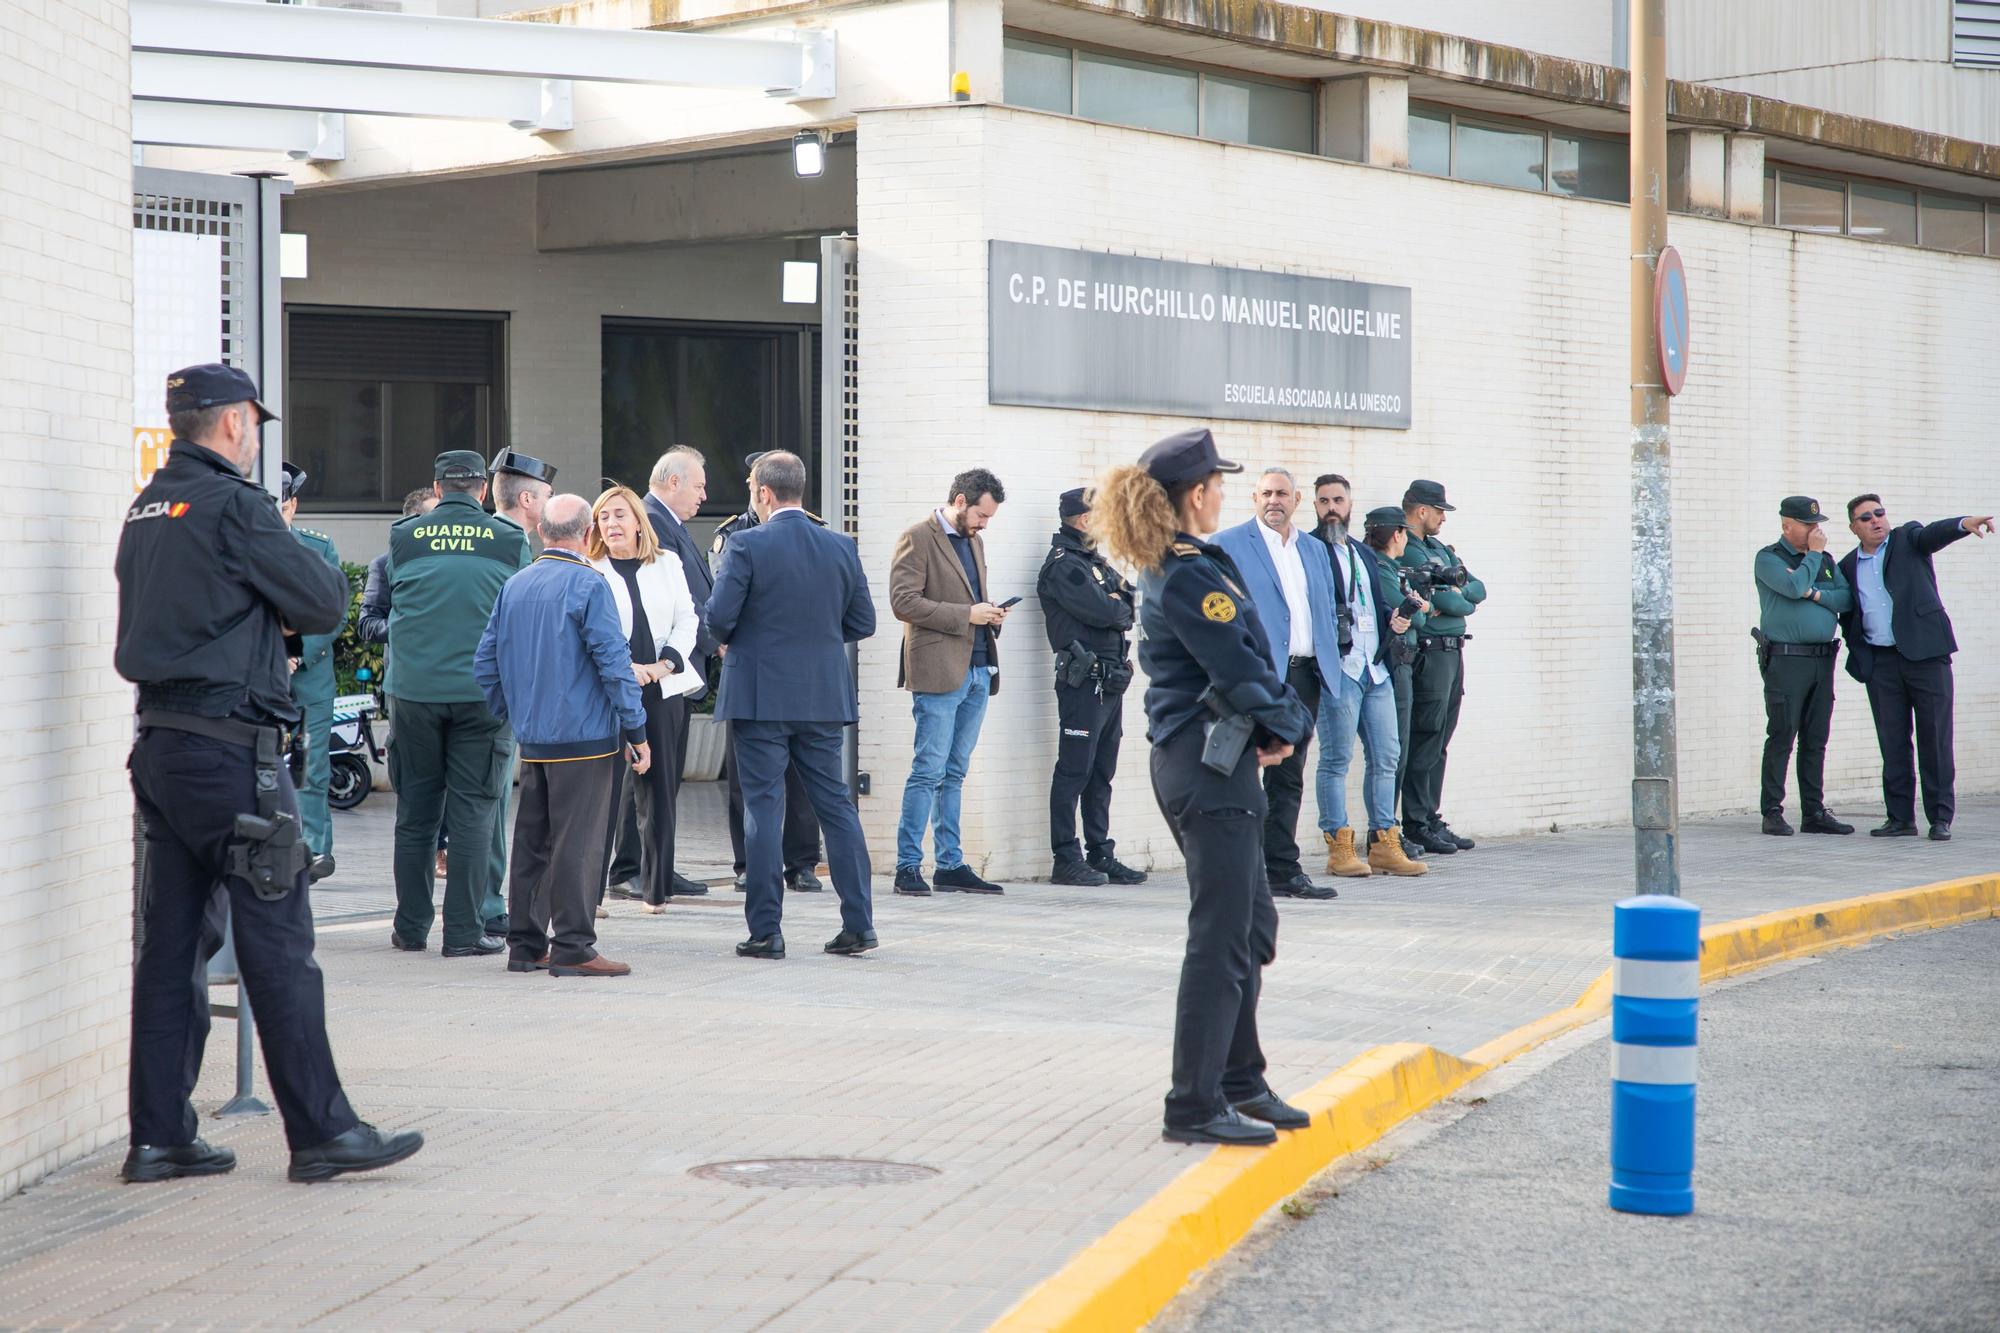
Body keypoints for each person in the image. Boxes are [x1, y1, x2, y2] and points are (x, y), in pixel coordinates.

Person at [115, 361, 424, 1184]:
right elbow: (323, 601)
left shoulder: (147, 507)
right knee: (280, 939)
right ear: (231, 423)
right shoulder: (237, 504)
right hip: (230, 753)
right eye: (254, 419)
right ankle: (322, 1131)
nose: (255, 434)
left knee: (170, 946)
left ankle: (159, 1135)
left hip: (161, 746)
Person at [1088, 427, 1315, 1148]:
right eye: (1219, 483)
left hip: (1219, 760)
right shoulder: (1186, 572)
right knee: (1218, 939)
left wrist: (1273, 725)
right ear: (1197, 493)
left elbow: (1246, 661)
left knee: (1249, 928)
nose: (1225, 493)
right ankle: (1191, 1104)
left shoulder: (1189, 563)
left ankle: (1241, 1078)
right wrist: (1290, 722)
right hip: (1209, 766)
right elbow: (1238, 668)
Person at [705, 451, 879, 960]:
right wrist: (818, 640)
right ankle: (859, 925)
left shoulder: (746, 544)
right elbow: (862, 622)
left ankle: (767, 931)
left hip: (760, 695)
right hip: (823, 694)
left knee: (763, 809)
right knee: (838, 809)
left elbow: (718, 619)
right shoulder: (840, 545)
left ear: (762, 492)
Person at [476, 494, 648, 978]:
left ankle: (526, 945)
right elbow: (614, 664)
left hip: (535, 739)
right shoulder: (590, 585)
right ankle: (573, 945)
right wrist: (636, 729)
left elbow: (485, 663)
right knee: (581, 843)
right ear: (588, 533)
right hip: (587, 737)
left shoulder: (515, 585)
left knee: (532, 842)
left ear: (542, 533)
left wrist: (515, 714)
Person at [383, 450, 531, 957]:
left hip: (415, 694)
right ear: (483, 490)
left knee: (416, 813)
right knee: (473, 815)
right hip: (482, 696)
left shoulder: (403, 536)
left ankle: (409, 929)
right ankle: (465, 935)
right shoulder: (511, 541)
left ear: (438, 487)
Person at [1212, 468, 1341, 901]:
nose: (1274, 500)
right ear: (1253, 497)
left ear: (1297, 499)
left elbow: (1321, 608)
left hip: (1304, 677)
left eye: (1282, 493)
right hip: (1255, 676)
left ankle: (1283, 872)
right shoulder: (1227, 545)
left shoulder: (1314, 549)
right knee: (1241, 774)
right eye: (1266, 493)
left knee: (1289, 778)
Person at [1836, 497, 1993, 841]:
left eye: (1879, 513)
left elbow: (1933, 534)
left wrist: (1963, 523)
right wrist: (1861, 655)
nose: (1876, 520)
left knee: (1934, 738)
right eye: (1866, 517)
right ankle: (1900, 819)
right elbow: (1850, 615)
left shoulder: (1908, 538)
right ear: (1854, 527)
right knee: (1892, 742)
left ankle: (1939, 818)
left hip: (1926, 656)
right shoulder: (1848, 565)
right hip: (1882, 663)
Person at [888, 467, 1011, 896]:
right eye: (981, 515)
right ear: (960, 501)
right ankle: (907, 866)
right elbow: (903, 603)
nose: (984, 524)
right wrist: (966, 616)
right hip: (938, 672)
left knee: (954, 773)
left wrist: (989, 612)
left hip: (978, 668)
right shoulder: (917, 537)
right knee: (927, 770)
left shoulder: (974, 542)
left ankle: (950, 864)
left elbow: (966, 601)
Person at [713, 451, 825, 895]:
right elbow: (719, 599)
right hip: (749, 670)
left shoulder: (816, 531)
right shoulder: (733, 535)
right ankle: (749, 864)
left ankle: (801, 863)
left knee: (798, 779)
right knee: (745, 779)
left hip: (792, 674)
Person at [589, 484, 702, 910]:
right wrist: (623, 670)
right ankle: (593, 890)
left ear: (639, 522)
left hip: (661, 688)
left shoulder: (668, 563)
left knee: (657, 791)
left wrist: (662, 666)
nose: (612, 523)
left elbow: (688, 618)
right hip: (607, 692)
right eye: (604, 517)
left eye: (620, 515)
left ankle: (656, 890)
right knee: (602, 792)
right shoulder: (590, 567)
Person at [1312, 484, 1428, 879]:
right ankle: (1339, 846)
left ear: (1348, 505)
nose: (1331, 508)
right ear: (1314, 505)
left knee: (1387, 757)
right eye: (1324, 501)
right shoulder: (1310, 549)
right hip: (1339, 669)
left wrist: (1394, 617)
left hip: (1374, 668)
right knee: (1336, 759)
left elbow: (1372, 603)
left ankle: (1384, 844)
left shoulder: (1362, 552)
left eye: (1337, 501)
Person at [1036, 486, 1146, 886]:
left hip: (1110, 684)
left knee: (1101, 773)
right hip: (1083, 685)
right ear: (1084, 520)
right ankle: (1066, 857)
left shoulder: (1092, 562)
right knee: (1074, 771)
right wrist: (1116, 604)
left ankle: (1100, 853)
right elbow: (1107, 611)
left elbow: (1134, 601)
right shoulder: (1065, 566)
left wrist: (1118, 604)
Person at [636, 445, 718, 899]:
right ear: (674, 482)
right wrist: (716, 640)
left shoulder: (669, 523)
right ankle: (644, 872)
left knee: (659, 779)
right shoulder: (653, 523)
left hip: (676, 671)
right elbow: (680, 603)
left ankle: (648, 867)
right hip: (663, 673)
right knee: (655, 779)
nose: (704, 495)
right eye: (700, 485)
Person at [482, 449, 558, 931]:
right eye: (548, 496)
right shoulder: (514, 544)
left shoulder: (479, 535)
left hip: (442, 686)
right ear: (528, 498)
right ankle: (491, 908)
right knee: (491, 803)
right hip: (497, 691)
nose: (550, 505)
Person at [1753, 496, 1856, 836]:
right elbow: (1793, 586)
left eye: (1818, 524)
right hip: (1786, 660)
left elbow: (1845, 598)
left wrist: (1814, 593)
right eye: (1809, 525)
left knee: (1816, 738)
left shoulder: (1825, 561)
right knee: (1783, 735)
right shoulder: (1769, 558)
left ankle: (1813, 811)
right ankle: (1772, 811)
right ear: (1787, 526)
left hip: (1822, 659)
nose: (1817, 531)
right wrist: (1810, 560)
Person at [1396, 480, 1487, 857]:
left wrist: (1455, 596)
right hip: (1430, 653)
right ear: (1421, 511)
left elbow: (1476, 591)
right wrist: (1454, 600)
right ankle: (1416, 823)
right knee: (1425, 738)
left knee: (1441, 742)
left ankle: (1430, 816)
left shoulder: (1437, 549)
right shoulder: (1411, 550)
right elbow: (1454, 604)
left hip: (1453, 652)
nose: (1442, 519)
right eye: (1439, 512)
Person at [279, 462, 346, 883]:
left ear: (294, 505)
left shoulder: (317, 548)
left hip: (309, 676)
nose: (279, 511)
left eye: (284, 504)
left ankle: (315, 849)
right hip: (259, 673)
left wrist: (297, 654)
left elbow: (332, 612)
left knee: (313, 766)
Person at [1362, 507, 1434, 870]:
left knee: (1395, 753)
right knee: (1393, 753)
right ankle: (1385, 832)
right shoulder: (1380, 568)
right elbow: (1415, 614)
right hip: (1392, 664)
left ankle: (1388, 831)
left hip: (1403, 663)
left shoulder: (1391, 569)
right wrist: (1420, 610)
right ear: (1397, 536)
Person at [358, 487, 437, 646]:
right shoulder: (384, 565)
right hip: (405, 665)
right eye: (438, 518)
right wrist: (409, 626)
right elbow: (367, 624)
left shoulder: (453, 563)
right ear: (416, 524)